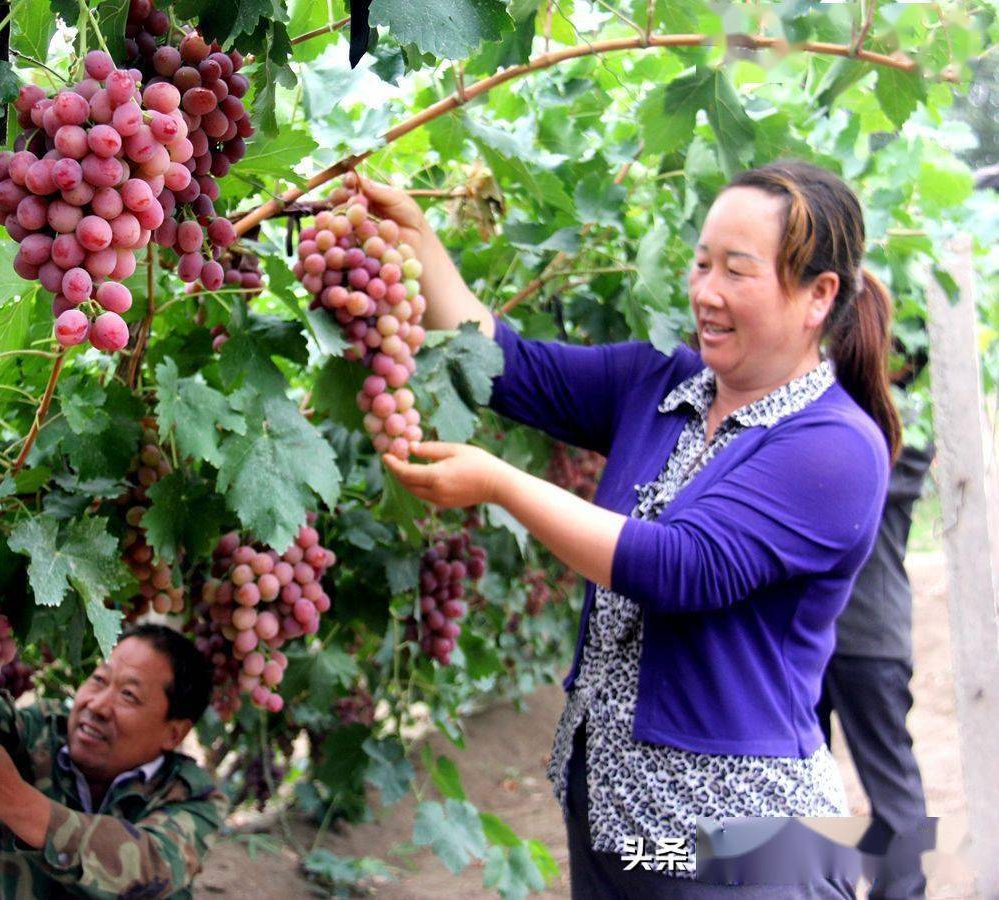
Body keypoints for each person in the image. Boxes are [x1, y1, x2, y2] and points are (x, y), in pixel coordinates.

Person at [374, 160, 899, 898]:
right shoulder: (659, 385)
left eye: (737, 272)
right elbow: (506, 364)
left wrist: (499, 484)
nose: (705, 293)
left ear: (819, 295)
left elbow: (681, 567)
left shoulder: (835, 447)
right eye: (701, 262)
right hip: (624, 826)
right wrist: (415, 234)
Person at [0, 623, 224, 898]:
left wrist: (18, 804)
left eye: (128, 695)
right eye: (99, 679)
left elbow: (151, 865)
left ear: (173, 733)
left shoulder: (194, 798)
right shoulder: (33, 735)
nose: (97, 705)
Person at [818, 415, 935, 899]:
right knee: (798, 779)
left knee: (891, 788)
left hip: (865, 636)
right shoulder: (858, 423)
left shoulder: (904, 431)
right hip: (811, 633)